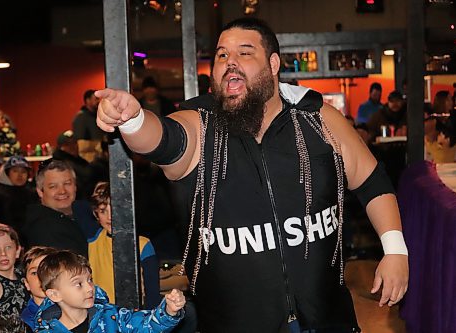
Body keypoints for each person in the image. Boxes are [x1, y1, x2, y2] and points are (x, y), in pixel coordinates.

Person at [96, 17, 409, 333]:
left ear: (273, 64)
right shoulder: (201, 127)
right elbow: (163, 139)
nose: (230, 62)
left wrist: (395, 249)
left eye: (244, 52)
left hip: (326, 320)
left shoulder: (317, 119)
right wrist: (132, 120)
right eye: (221, 55)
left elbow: (372, 181)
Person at [35, 250, 185, 333]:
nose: (89, 287)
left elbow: (148, 326)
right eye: (78, 284)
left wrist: (168, 311)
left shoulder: (111, 316)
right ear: (54, 294)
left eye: (89, 280)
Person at [88, 182, 161, 307]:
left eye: (115, 210)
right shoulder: (93, 241)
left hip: (134, 312)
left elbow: (152, 291)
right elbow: (77, 207)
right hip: (102, 313)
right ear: (96, 213)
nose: (110, 217)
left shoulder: (143, 244)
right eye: (103, 211)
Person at [23, 159, 98, 257]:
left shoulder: (87, 212)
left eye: (67, 183)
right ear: (40, 192)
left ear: (75, 186)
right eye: (53, 186)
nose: (62, 191)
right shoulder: (43, 228)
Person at [0, 155, 38, 244]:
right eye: (15, 171)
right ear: (7, 173)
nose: (19, 175)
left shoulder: (33, 193)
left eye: (23, 171)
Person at [20, 246, 58, 331]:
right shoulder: (25, 322)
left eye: (47, 270)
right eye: (34, 273)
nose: (41, 277)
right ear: (26, 283)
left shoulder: (74, 307)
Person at [52, 130, 93, 199]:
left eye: (74, 143)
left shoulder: (80, 161)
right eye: (68, 144)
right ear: (61, 147)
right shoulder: (60, 165)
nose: (73, 146)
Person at [72, 89, 104, 162]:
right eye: (96, 99)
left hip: (99, 159)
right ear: (88, 100)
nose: (98, 101)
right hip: (87, 161)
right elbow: (80, 144)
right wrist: (98, 145)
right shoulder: (81, 118)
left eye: (98, 99)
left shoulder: (98, 116)